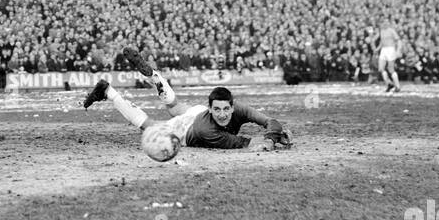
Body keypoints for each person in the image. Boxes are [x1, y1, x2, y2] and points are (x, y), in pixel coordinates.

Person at [83, 46, 292, 155]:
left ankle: (154, 76)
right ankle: (108, 92)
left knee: (174, 105)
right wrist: (272, 140)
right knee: (150, 127)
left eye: (225, 110)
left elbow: (269, 121)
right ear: (210, 109)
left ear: (232, 106)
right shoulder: (208, 132)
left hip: (196, 112)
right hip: (187, 129)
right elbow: (247, 143)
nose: (221, 114)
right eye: (217, 110)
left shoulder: (236, 109)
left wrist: (274, 134)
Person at [376, 20, 402, 93]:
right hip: (383, 50)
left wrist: (398, 50)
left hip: (390, 49)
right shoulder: (381, 31)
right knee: (381, 68)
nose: (385, 24)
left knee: (390, 69)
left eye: (386, 22)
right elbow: (382, 42)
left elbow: (398, 40)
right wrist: (377, 49)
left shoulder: (391, 31)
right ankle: (389, 83)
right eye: (383, 22)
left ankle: (398, 86)